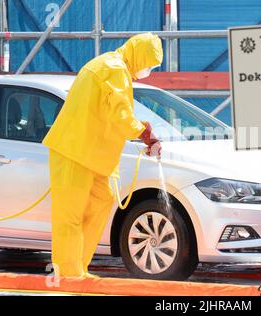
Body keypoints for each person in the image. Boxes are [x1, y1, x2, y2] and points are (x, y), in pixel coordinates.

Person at [42, 32, 163, 278]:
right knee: (70, 215)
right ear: (138, 56)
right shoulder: (114, 68)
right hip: (74, 150)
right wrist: (146, 134)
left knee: (102, 200)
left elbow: (109, 113)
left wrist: (141, 131)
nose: (148, 69)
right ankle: (68, 274)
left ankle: (78, 269)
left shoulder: (111, 66)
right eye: (149, 63)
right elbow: (120, 115)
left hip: (89, 154)